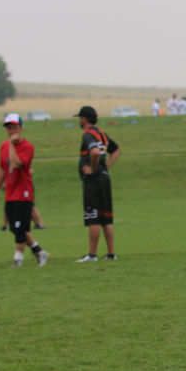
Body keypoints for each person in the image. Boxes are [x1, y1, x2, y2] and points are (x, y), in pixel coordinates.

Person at [0, 114, 50, 267]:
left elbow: (16, 164)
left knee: (19, 228)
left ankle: (18, 259)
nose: (12, 131)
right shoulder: (4, 146)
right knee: (16, 228)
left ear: (21, 128)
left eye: (15, 128)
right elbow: (1, 169)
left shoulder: (27, 146)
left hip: (23, 193)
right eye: (9, 128)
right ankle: (39, 252)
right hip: (10, 192)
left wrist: (12, 145)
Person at [74, 106, 120, 262]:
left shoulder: (88, 134)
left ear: (84, 119)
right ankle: (111, 254)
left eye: (80, 118)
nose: (79, 121)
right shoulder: (101, 133)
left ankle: (92, 255)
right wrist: (106, 166)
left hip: (93, 181)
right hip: (104, 179)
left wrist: (93, 169)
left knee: (92, 217)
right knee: (106, 219)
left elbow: (94, 152)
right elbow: (116, 149)